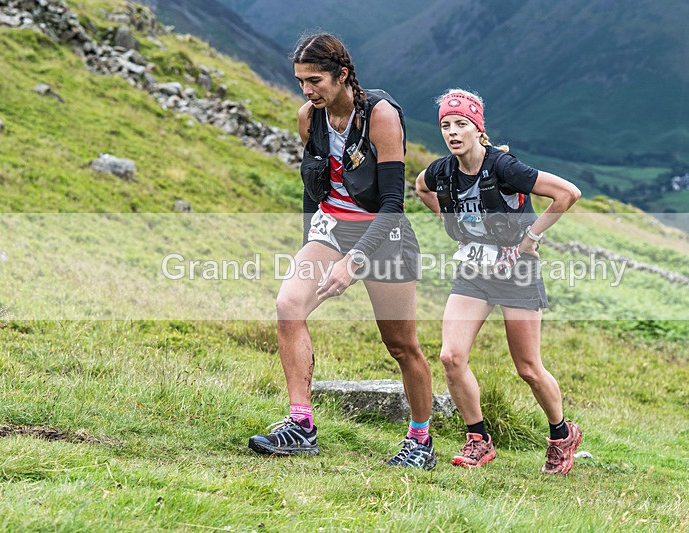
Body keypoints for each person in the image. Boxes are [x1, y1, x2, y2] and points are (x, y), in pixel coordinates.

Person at [248, 33, 436, 470]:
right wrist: (309, 246)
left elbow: (393, 204)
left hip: (383, 234)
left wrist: (355, 262)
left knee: (401, 345)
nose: (307, 90)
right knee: (288, 305)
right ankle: (301, 426)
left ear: (343, 74)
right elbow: (312, 189)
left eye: (314, 80)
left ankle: (420, 441)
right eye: (300, 82)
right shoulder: (307, 118)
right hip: (331, 229)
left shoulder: (380, 116)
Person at [415, 89, 582, 473]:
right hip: (474, 270)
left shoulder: (503, 167)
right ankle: (479, 440)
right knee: (450, 356)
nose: (453, 132)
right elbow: (422, 188)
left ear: (478, 129)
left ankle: (561, 435)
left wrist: (529, 240)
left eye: (461, 124)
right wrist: (450, 221)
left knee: (528, 367)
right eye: (446, 125)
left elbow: (567, 194)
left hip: (516, 272)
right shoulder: (442, 171)